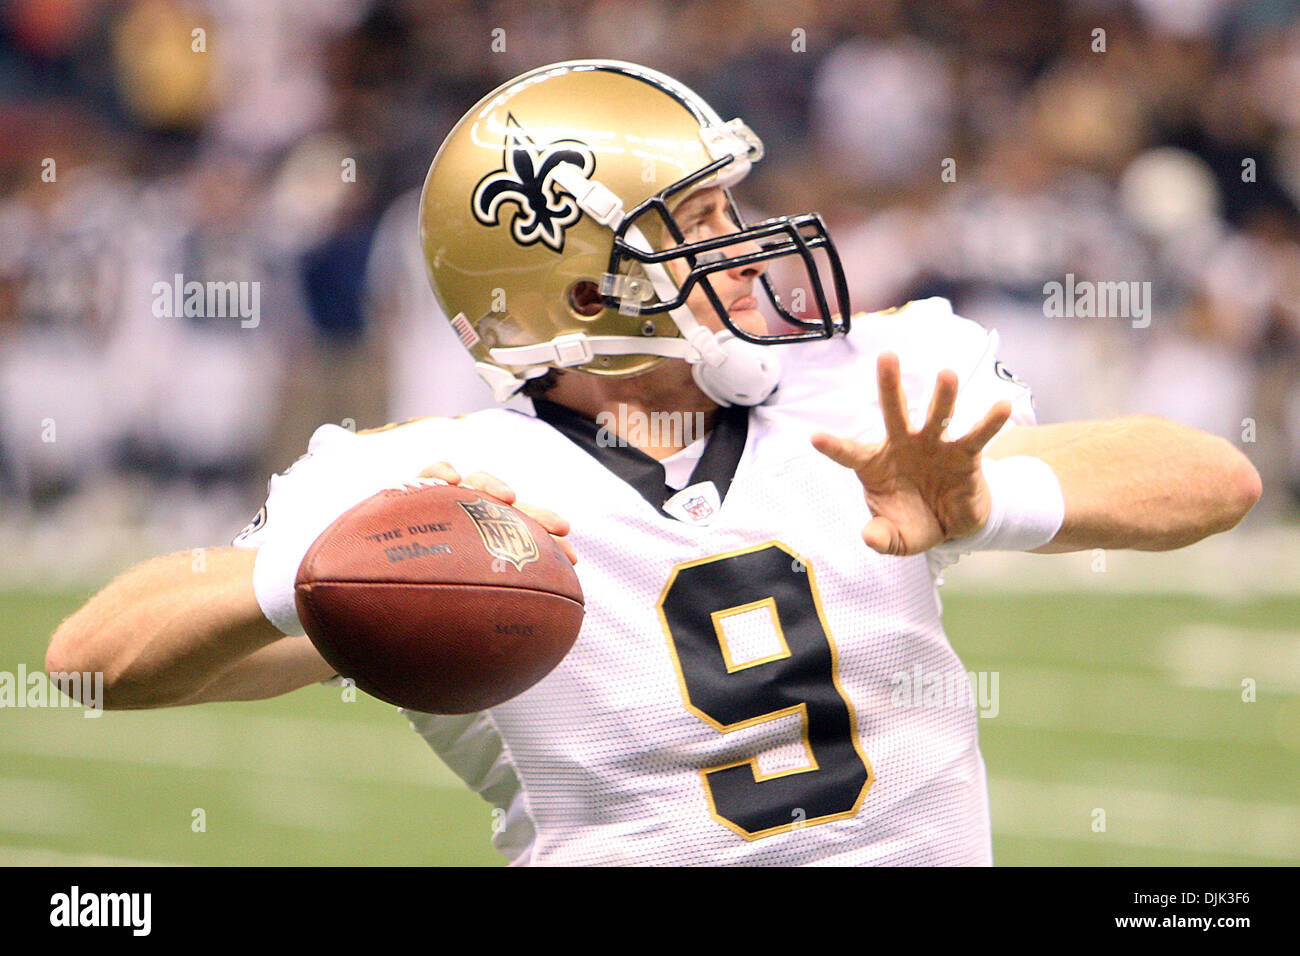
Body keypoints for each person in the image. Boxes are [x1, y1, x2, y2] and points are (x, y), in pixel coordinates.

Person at [46, 60, 1261, 866]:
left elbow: (1214, 479)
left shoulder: (854, 388)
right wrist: (314, 572)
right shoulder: (446, 492)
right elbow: (88, 669)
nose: (741, 244)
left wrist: (987, 498)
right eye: (696, 225)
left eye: (732, 209)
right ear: (581, 291)